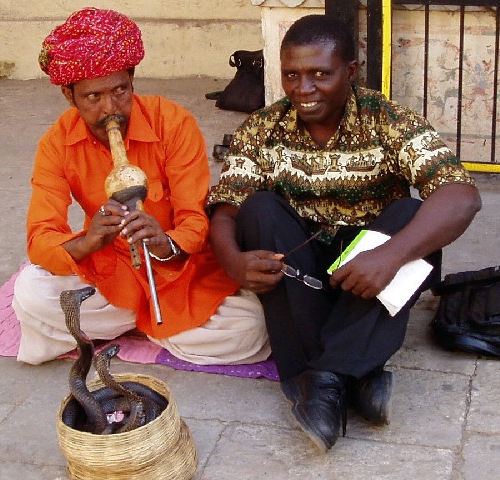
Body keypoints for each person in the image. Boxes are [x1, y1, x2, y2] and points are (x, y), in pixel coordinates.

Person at [206, 14, 481, 452]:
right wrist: (233, 262)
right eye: (292, 74)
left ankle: (320, 380)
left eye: (320, 74)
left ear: (350, 72)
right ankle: (357, 372)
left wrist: (390, 255)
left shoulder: (388, 120)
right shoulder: (262, 129)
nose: (303, 88)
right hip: (303, 274)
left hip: (369, 275)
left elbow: (462, 196)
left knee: (412, 214)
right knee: (257, 210)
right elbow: (224, 209)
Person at [12, 7, 270, 367]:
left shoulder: (174, 123)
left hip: (178, 271)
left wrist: (165, 243)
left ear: (132, 79)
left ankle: (132, 323)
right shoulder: (56, 144)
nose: (110, 110)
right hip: (110, 273)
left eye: (120, 91)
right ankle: (156, 324)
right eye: (93, 98)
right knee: (30, 293)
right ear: (69, 96)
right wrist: (90, 241)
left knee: (250, 328)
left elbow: (196, 222)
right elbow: (40, 237)